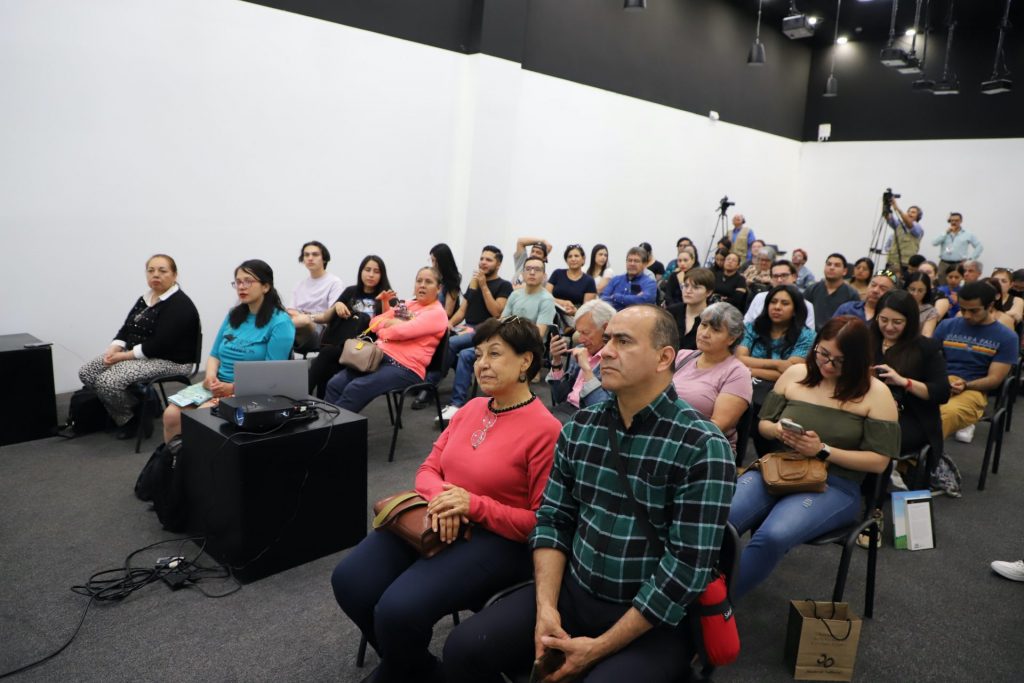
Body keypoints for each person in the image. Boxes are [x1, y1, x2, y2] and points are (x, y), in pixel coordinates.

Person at [442, 305, 736, 683]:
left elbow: (686, 569)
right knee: (462, 649)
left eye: (623, 342)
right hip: (574, 594)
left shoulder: (702, 445)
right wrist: (546, 609)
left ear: (664, 358)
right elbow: (553, 520)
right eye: (608, 339)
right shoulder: (581, 426)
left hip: (652, 619)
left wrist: (598, 648)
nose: (606, 351)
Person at [330, 317, 560, 683]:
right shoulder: (471, 409)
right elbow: (427, 470)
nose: (482, 363)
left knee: (397, 611)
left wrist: (471, 505)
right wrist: (446, 501)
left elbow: (540, 522)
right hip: (436, 518)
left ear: (526, 361)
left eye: (495, 354)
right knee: (350, 581)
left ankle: (400, 668)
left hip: (498, 541)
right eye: (479, 354)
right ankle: (419, 670)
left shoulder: (546, 430)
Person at [729, 316, 900, 600]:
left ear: (859, 361)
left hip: (835, 484)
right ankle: (692, 589)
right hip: (779, 469)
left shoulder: (876, 393)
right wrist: (779, 430)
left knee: (773, 535)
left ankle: (715, 607)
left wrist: (823, 450)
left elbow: (879, 462)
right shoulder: (796, 374)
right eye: (823, 353)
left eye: (840, 361)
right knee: (719, 518)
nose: (828, 365)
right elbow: (764, 424)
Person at [161, 259, 294, 442]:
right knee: (171, 415)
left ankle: (198, 459)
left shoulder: (281, 322)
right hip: (219, 385)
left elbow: (271, 375)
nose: (242, 287)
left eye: (248, 281)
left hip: (251, 391)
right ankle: (176, 459)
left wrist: (231, 388)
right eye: (238, 282)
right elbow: (214, 355)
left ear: (265, 286)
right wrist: (210, 377)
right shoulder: (234, 315)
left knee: (200, 418)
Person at [78, 254, 200, 439]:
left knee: (108, 381)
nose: (155, 275)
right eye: (151, 271)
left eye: (162, 271)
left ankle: (132, 420)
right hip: (140, 356)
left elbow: (159, 346)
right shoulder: (145, 298)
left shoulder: (180, 305)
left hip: (171, 361)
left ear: (175, 275)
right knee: (87, 372)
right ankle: (143, 401)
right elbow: (127, 328)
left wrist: (123, 356)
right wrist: (114, 348)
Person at [441, 257, 556, 421]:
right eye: (528, 268)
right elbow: (501, 321)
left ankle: (457, 399)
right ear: (522, 273)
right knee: (460, 349)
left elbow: (537, 334)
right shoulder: (515, 294)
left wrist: (504, 339)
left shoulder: (546, 300)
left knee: (466, 353)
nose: (532, 272)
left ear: (544, 276)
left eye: (537, 269)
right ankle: (455, 402)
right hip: (502, 340)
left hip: (521, 347)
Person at [325, 267, 448, 412]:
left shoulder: (437, 313)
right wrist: (392, 324)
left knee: (356, 388)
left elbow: (401, 332)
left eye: (428, 282)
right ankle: (332, 422)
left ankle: (336, 424)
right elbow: (374, 322)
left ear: (439, 288)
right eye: (419, 281)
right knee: (335, 384)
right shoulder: (408, 304)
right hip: (379, 357)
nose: (422, 285)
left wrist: (388, 328)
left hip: (406, 368)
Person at [869, 290, 951, 491]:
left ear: (910, 321)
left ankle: (876, 490)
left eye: (897, 322)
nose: (889, 327)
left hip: (912, 415)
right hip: (868, 408)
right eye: (883, 320)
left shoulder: (925, 347)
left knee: (876, 436)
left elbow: (941, 392)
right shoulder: (867, 340)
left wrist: (904, 382)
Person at [933, 281, 1018, 443]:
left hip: (973, 390)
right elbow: (929, 359)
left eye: (974, 311)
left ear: (990, 306)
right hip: (940, 381)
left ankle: (915, 457)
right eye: (963, 309)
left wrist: (966, 385)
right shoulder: (946, 326)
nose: (966, 315)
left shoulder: (1007, 337)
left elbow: (994, 379)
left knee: (946, 414)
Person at [307, 255, 391, 398]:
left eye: (376, 271)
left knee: (326, 355)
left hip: (365, 349)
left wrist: (385, 302)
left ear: (382, 275)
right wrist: (338, 305)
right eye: (367, 270)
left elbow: (388, 325)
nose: (371, 275)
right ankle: (321, 403)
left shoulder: (386, 297)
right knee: (327, 365)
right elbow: (327, 318)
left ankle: (302, 395)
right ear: (361, 271)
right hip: (343, 345)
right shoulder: (351, 292)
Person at [673, 302, 752, 452]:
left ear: (731, 339)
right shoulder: (681, 356)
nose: (705, 333)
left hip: (704, 447)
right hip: (666, 434)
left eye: (715, 330)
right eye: (703, 325)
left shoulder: (737, 373)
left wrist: (670, 436)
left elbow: (715, 426)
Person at [547, 299, 616, 421]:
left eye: (585, 333)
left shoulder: (615, 360)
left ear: (606, 328)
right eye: (579, 333)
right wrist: (556, 361)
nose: (581, 339)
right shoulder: (581, 350)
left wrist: (587, 370)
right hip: (565, 410)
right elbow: (560, 398)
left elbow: (602, 410)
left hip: (588, 418)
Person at [737, 284, 815, 382]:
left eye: (785, 303)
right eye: (773, 302)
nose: (777, 307)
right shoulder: (752, 328)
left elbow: (791, 372)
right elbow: (739, 359)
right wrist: (778, 364)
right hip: (745, 382)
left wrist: (748, 370)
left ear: (795, 310)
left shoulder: (806, 336)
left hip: (782, 387)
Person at [287, 241, 345, 353]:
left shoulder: (334, 282)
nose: (310, 258)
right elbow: (290, 311)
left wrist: (308, 317)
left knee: (301, 321)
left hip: (323, 330)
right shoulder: (299, 285)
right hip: (297, 325)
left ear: (324, 259)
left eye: (315, 254)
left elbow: (332, 315)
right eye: (306, 255)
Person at [744, 260, 816, 330]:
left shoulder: (806, 305)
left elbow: (809, 334)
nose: (779, 280)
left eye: (784, 275)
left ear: (794, 277)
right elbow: (746, 324)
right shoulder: (760, 298)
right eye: (775, 276)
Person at [803, 253, 861, 329]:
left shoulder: (852, 294)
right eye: (829, 264)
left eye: (837, 265)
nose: (831, 267)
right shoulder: (812, 289)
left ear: (845, 271)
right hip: (811, 333)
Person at [666, 267, 715, 350]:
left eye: (696, 287)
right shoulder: (671, 312)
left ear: (708, 292)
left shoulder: (714, 318)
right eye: (685, 286)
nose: (688, 291)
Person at [546, 244, 597, 318]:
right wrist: (562, 302)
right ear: (566, 260)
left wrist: (575, 311)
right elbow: (545, 296)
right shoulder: (557, 274)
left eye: (576, 256)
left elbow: (587, 309)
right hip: (551, 313)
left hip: (575, 318)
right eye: (570, 256)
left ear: (583, 259)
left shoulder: (589, 281)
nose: (573, 259)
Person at [932, 213, 983, 285]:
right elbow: (934, 243)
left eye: (956, 220)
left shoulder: (967, 234)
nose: (954, 222)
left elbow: (979, 246)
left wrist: (970, 259)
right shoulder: (944, 233)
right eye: (952, 220)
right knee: (942, 283)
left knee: (960, 284)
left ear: (961, 221)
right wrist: (945, 233)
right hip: (944, 263)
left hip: (959, 264)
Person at [882, 198, 924, 273]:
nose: (910, 214)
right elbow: (887, 217)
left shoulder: (918, 228)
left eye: (913, 212)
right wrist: (885, 204)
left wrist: (897, 208)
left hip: (905, 265)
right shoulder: (899, 225)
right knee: (886, 278)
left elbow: (909, 224)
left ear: (918, 216)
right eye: (908, 212)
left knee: (899, 280)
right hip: (891, 263)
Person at [430, 243, 463, 319]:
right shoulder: (433, 276)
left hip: (441, 320)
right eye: (431, 261)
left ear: (442, 262)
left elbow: (448, 312)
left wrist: (428, 315)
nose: (433, 265)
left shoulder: (452, 283)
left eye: (434, 261)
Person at [903, 272, 941, 337]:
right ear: (907, 289)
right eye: (912, 289)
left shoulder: (930, 312)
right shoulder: (898, 305)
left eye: (920, 291)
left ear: (926, 291)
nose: (915, 294)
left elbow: (926, 336)